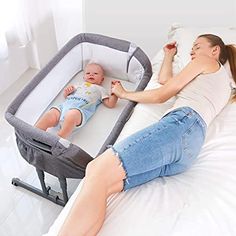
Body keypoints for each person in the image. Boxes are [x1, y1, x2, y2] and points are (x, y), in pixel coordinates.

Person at [58, 35, 236, 236]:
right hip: (189, 149)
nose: (192, 51)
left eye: (197, 46)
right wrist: (169, 55)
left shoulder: (206, 62)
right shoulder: (223, 85)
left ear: (215, 51)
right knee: (103, 183)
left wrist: (124, 93)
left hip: (180, 126)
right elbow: (165, 81)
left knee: (97, 169)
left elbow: (161, 95)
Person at [35, 63, 118, 138]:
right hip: (64, 107)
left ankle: (59, 139)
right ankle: (35, 133)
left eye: (95, 73)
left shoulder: (101, 90)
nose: (91, 75)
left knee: (72, 114)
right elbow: (65, 96)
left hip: (80, 110)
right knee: (51, 113)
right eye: (88, 73)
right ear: (84, 77)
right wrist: (67, 92)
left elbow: (110, 104)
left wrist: (115, 93)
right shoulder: (78, 84)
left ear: (102, 79)